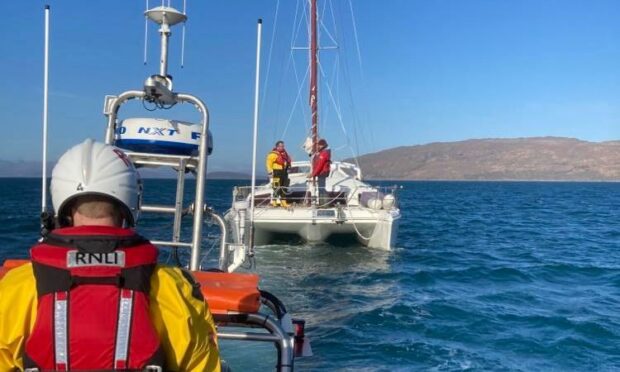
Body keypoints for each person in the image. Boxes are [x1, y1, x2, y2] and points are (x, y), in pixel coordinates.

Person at [0, 139, 220, 371]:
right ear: (130, 202)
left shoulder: (19, 287)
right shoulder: (172, 288)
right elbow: (201, 364)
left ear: (61, 209)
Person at [265, 140, 292, 207]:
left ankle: (283, 201)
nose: (281, 147)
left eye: (282, 146)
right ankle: (274, 201)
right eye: (280, 146)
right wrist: (270, 172)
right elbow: (268, 163)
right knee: (276, 187)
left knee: (284, 186)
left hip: (284, 172)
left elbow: (288, 162)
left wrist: (288, 168)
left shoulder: (285, 154)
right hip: (276, 172)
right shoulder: (272, 154)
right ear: (277, 147)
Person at [310, 139, 331, 207]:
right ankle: (322, 203)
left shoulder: (324, 153)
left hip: (322, 172)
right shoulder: (323, 152)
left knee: (321, 188)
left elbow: (320, 164)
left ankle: (324, 204)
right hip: (321, 172)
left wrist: (313, 174)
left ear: (322, 145)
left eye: (319, 145)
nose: (318, 146)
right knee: (321, 187)